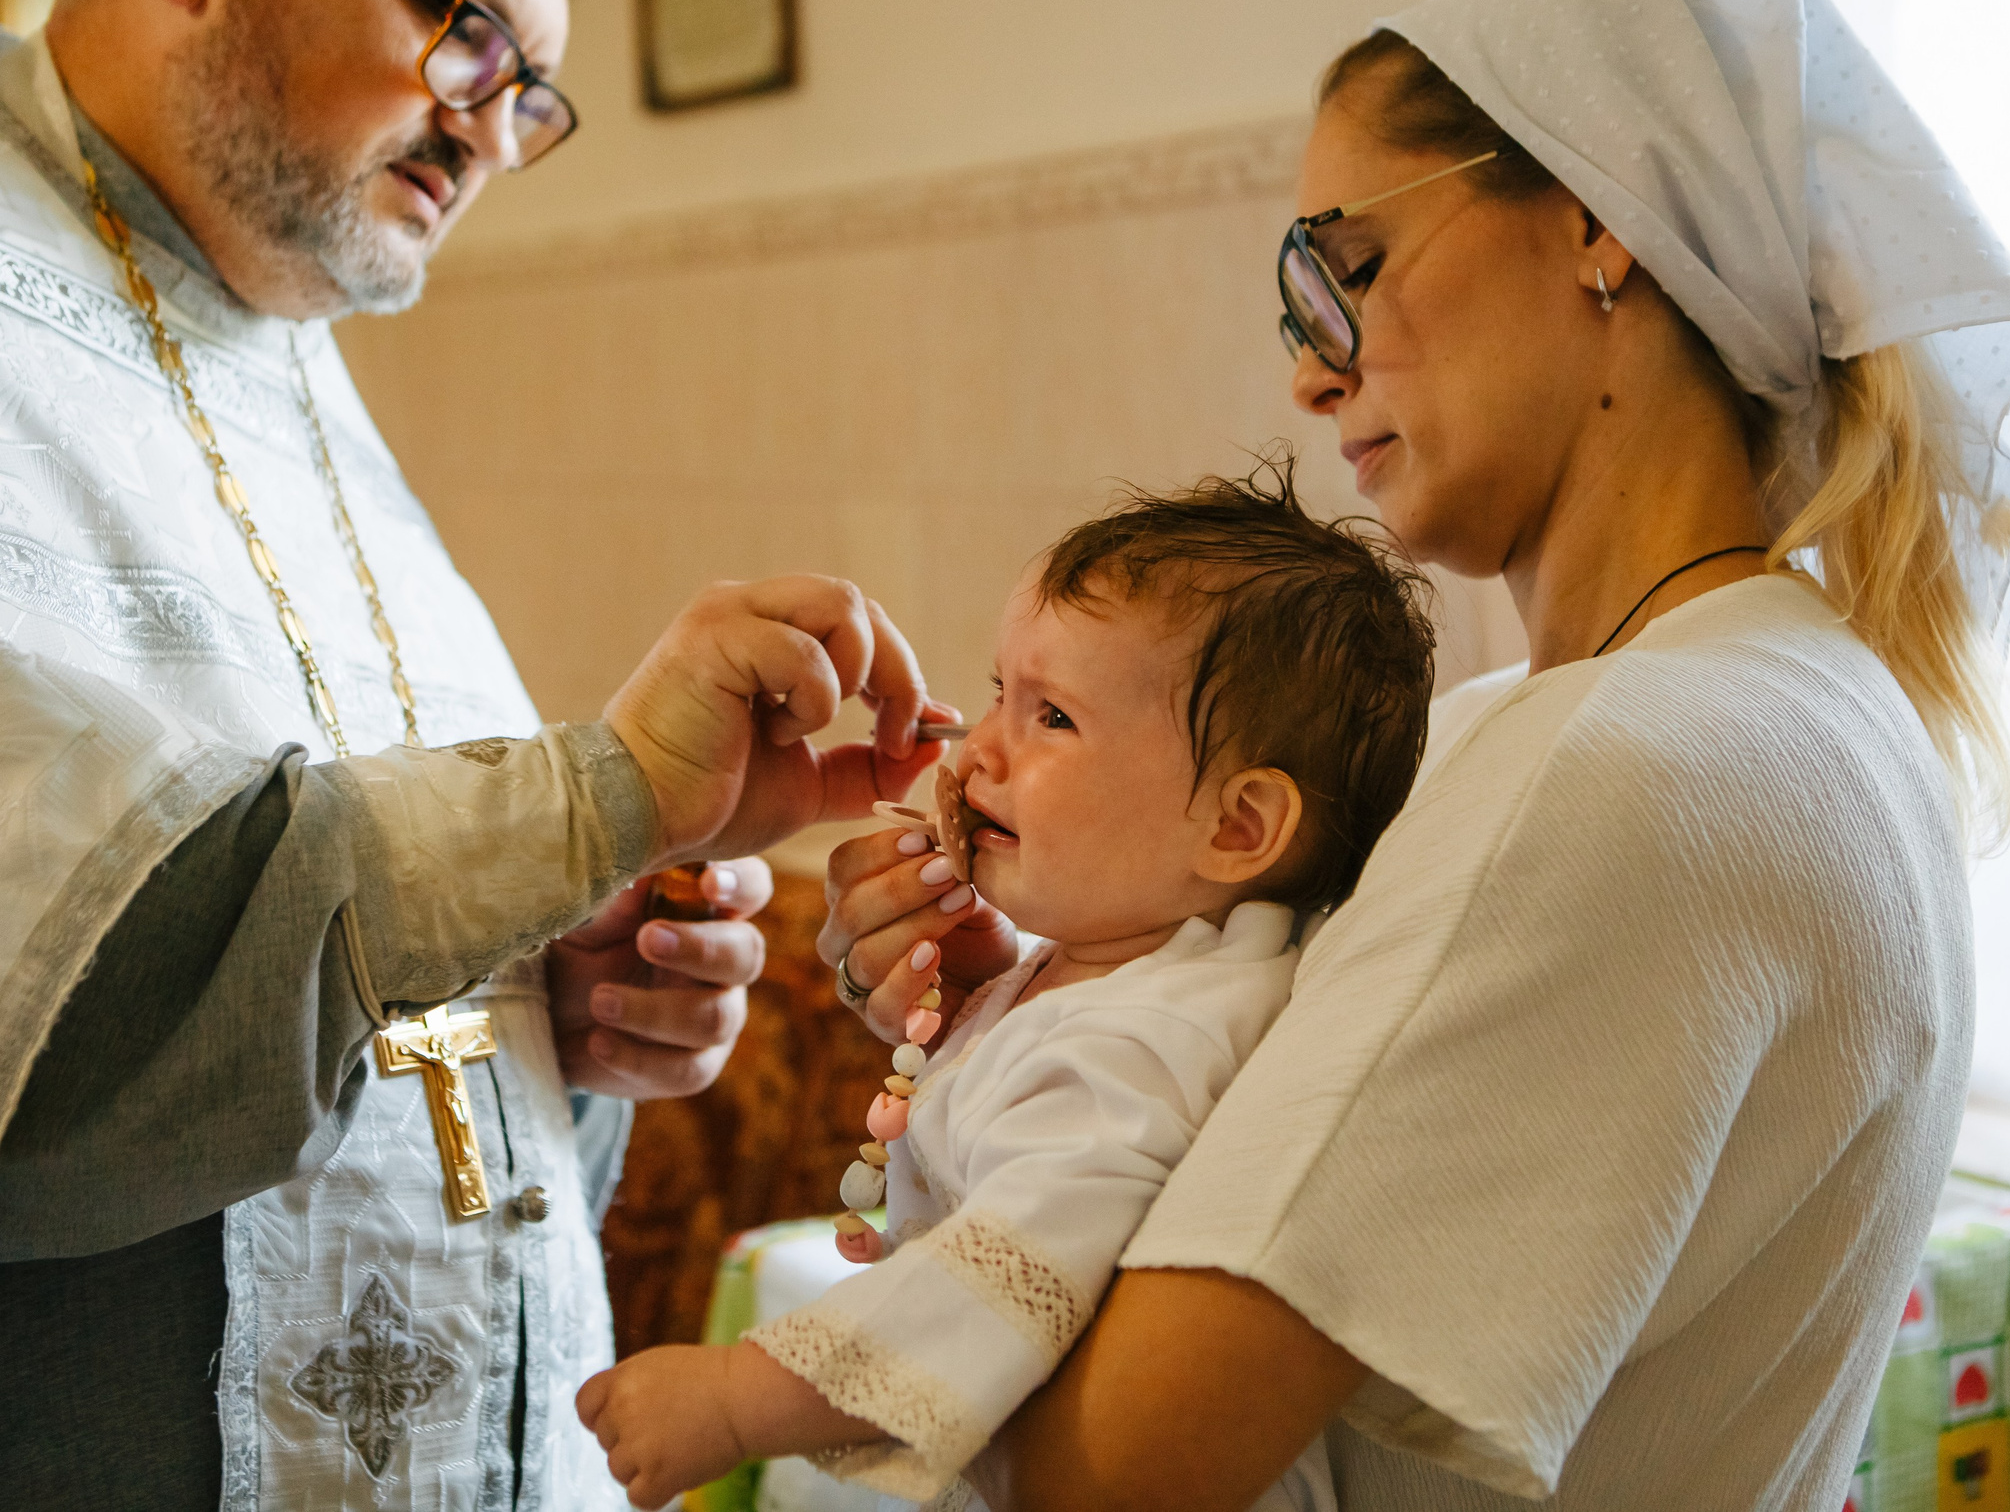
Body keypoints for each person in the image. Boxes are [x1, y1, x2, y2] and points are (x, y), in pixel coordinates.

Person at [0, 0, 949, 1508]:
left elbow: (339, 917)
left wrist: (556, 982)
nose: (489, 136)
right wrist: (595, 794)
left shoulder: (259, 330)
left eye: (530, 90)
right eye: (461, 31)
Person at [819, 0, 2010, 1511]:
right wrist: (1046, 1013)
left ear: (1595, 229)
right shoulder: (1803, 697)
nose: (1311, 374)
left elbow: (1114, 1473)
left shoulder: (1613, 763)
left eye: (1336, 270)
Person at [577, 465, 1435, 1510]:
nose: (978, 750)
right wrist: (969, 997)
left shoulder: (1145, 1044)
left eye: (1054, 719)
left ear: (1237, 828)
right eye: (997, 693)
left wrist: (731, 1400)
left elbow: (994, 1282)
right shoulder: (1129, 974)